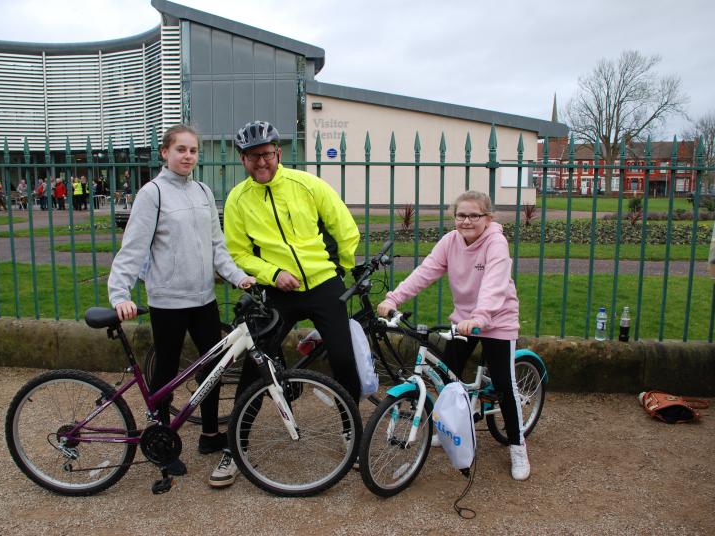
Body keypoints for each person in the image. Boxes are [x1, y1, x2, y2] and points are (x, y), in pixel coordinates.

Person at [217, 120, 362, 488]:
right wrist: (272, 272)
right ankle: (236, 447)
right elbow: (238, 253)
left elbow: (343, 226)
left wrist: (343, 269)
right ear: (243, 159)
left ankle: (352, 433)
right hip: (279, 289)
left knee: (344, 360)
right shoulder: (237, 198)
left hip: (323, 284)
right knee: (255, 365)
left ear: (278, 153)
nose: (260, 161)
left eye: (266, 153)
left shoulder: (306, 184)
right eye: (252, 156)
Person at [108, 124, 254, 478]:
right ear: (165, 153)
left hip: (203, 297)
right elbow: (134, 248)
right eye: (180, 150)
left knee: (214, 366)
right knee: (167, 371)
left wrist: (238, 277)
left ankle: (209, 433)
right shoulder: (152, 194)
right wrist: (120, 294)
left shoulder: (203, 191)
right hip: (168, 300)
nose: (187, 156)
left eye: (192, 151)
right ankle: (161, 443)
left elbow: (217, 246)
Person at [376, 190, 531, 481]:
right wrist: (394, 298)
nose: (467, 221)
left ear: (488, 218)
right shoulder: (450, 241)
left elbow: (495, 284)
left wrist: (481, 317)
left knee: (503, 383)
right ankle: (453, 426)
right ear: (454, 217)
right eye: (461, 215)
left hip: (496, 319)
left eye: (474, 215)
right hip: (465, 320)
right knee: (448, 377)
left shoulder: (496, 243)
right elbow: (426, 272)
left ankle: (517, 445)